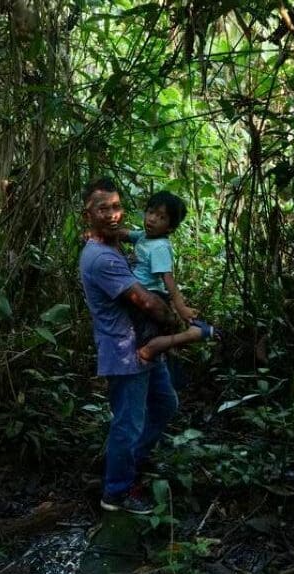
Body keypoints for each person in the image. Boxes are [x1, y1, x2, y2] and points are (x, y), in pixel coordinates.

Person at [79, 177, 179, 515]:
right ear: (88, 214)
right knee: (128, 422)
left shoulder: (113, 245)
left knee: (165, 404)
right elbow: (146, 302)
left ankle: (127, 465)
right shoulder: (101, 259)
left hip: (144, 345)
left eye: (117, 207)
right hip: (126, 353)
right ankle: (117, 492)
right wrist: (174, 318)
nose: (112, 215)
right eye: (103, 208)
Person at [119, 191, 222, 361]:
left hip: (152, 296)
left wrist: (181, 308)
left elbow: (169, 280)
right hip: (141, 295)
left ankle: (187, 337)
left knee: (147, 342)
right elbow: (125, 234)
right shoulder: (144, 237)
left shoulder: (159, 247)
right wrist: (99, 232)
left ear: (170, 228)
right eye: (151, 212)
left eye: (161, 217)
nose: (152, 219)